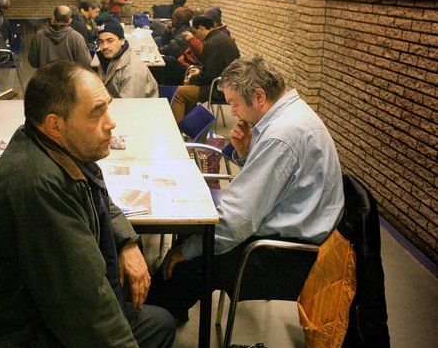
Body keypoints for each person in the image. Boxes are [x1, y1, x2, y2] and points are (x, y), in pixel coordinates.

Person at [0, 61, 176, 347]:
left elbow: (100, 197)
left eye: (108, 107)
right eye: (97, 112)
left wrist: (127, 241)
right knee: (154, 326)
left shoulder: (57, 148)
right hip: (20, 333)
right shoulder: (37, 187)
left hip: (38, 311)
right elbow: (84, 305)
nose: (111, 122)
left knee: (160, 323)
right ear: (55, 124)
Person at [147, 56, 345, 323]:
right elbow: (274, 184)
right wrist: (244, 153)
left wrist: (186, 252)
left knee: (187, 263)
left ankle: (153, 324)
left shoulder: (281, 135)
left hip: (284, 256)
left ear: (259, 96)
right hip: (292, 231)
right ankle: (168, 313)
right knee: (190, 240)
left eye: (234, 104)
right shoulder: (289, 113)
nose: (234, 113)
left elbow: (239, 219)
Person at [170, 14, 241, 122]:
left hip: (219, 88)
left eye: (195, 32)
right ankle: (188, 123)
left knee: (178, 93)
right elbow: (214, 68)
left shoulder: (212, 43)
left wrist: (193, 78)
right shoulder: (221, 38)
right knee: (187, 85)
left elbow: (208, 76)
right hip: (227, 83)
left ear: (201, 28)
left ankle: (177, 130)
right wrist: (199, 71)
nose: (195, 36)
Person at [95, 21, 158, 99]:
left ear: (122, 40)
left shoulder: (133, 69)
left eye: (110, 41)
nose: (104, 46)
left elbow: (129, 106)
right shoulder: (106, 60)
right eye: (101, 42)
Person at [27, 5, 92, 69]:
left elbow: (33, 62)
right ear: (70, 21)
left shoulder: (39, 36)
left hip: (44, 78)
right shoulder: (77, 37)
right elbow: (85, 63)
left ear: (53, 19)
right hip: (69, 79)